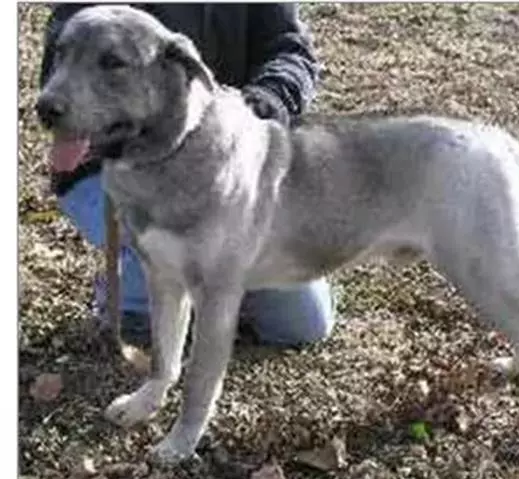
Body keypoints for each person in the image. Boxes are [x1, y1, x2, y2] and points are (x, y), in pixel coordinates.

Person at [39, 3, 336, 348]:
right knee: (158, 279)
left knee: (299, 324)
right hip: (113, 166)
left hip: (231, 162)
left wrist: (264, 103)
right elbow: (61, 66)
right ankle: (132, 295)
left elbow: (289, 50)